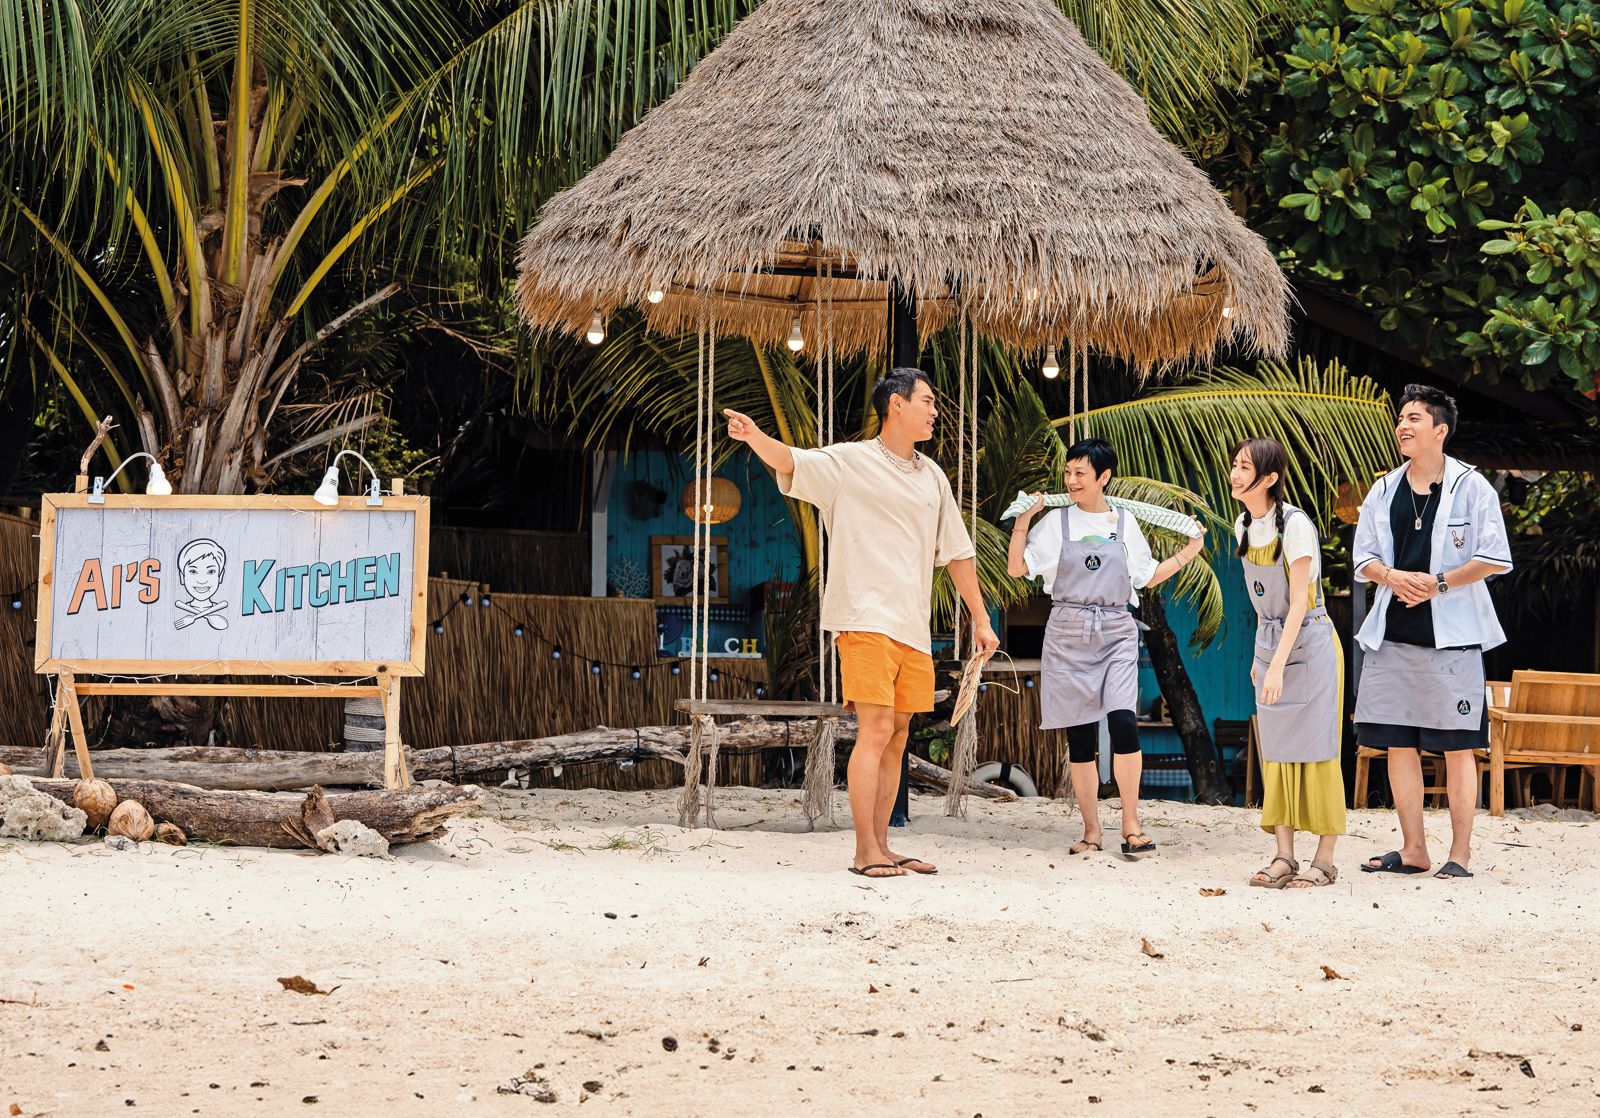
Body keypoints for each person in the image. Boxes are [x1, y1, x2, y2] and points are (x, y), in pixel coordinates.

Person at [724, 367, 999, 878]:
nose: (935, 411)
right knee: (873, 730)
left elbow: (958, 553)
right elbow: (792, 461)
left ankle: (884, 845)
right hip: (865, 617)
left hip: (912, 625)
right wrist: (754, 434)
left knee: (898, 734)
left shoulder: (933, 476)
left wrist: (981, 619)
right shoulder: (848, 461)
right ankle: (863, 851)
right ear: (896, 404)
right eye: (928, 401)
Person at [1007, 439, 1205, 857]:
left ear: (1104, 477)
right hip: (1067, 632)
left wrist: (1189, 551)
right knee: (1079, 736)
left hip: (1115, 630)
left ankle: (1132, 824)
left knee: (1123, 723)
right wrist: (1025, 521)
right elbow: (1016, 568)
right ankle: (1091, 830)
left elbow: (1147, 577)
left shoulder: (1124, 522)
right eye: (1068, 473)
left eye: (1081, 473)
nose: (1072, 480)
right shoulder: (1055, 523)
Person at [1352, 384, 1512, 880]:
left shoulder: (1473, 486)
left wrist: (1438, 584)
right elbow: (1364, 558)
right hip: (1392, 635)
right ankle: (1415, 848)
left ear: (1440, 430)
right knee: (1398, 744)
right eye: (1401, 417)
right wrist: (1395, 577)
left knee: (1458, 746)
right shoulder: (1383, 488)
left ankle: (1459, 854)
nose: (1403, 425)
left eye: (1415, 418)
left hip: (1453, 640)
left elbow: (1494, 558)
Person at [1229, 438, 1345, 889]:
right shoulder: (1243, 523)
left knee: (1317, 751)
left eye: (1245, 467)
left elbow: (1298, 603)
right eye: (1235, 465)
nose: (1236, 474)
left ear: (1270, 478)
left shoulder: (1296, 525)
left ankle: (1326, 860)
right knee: (1276, 751)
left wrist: (1277, 664)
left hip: (1310, 644)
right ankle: (1284, 856)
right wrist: (1263, 659)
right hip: (1272, 641)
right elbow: (1263, 607)